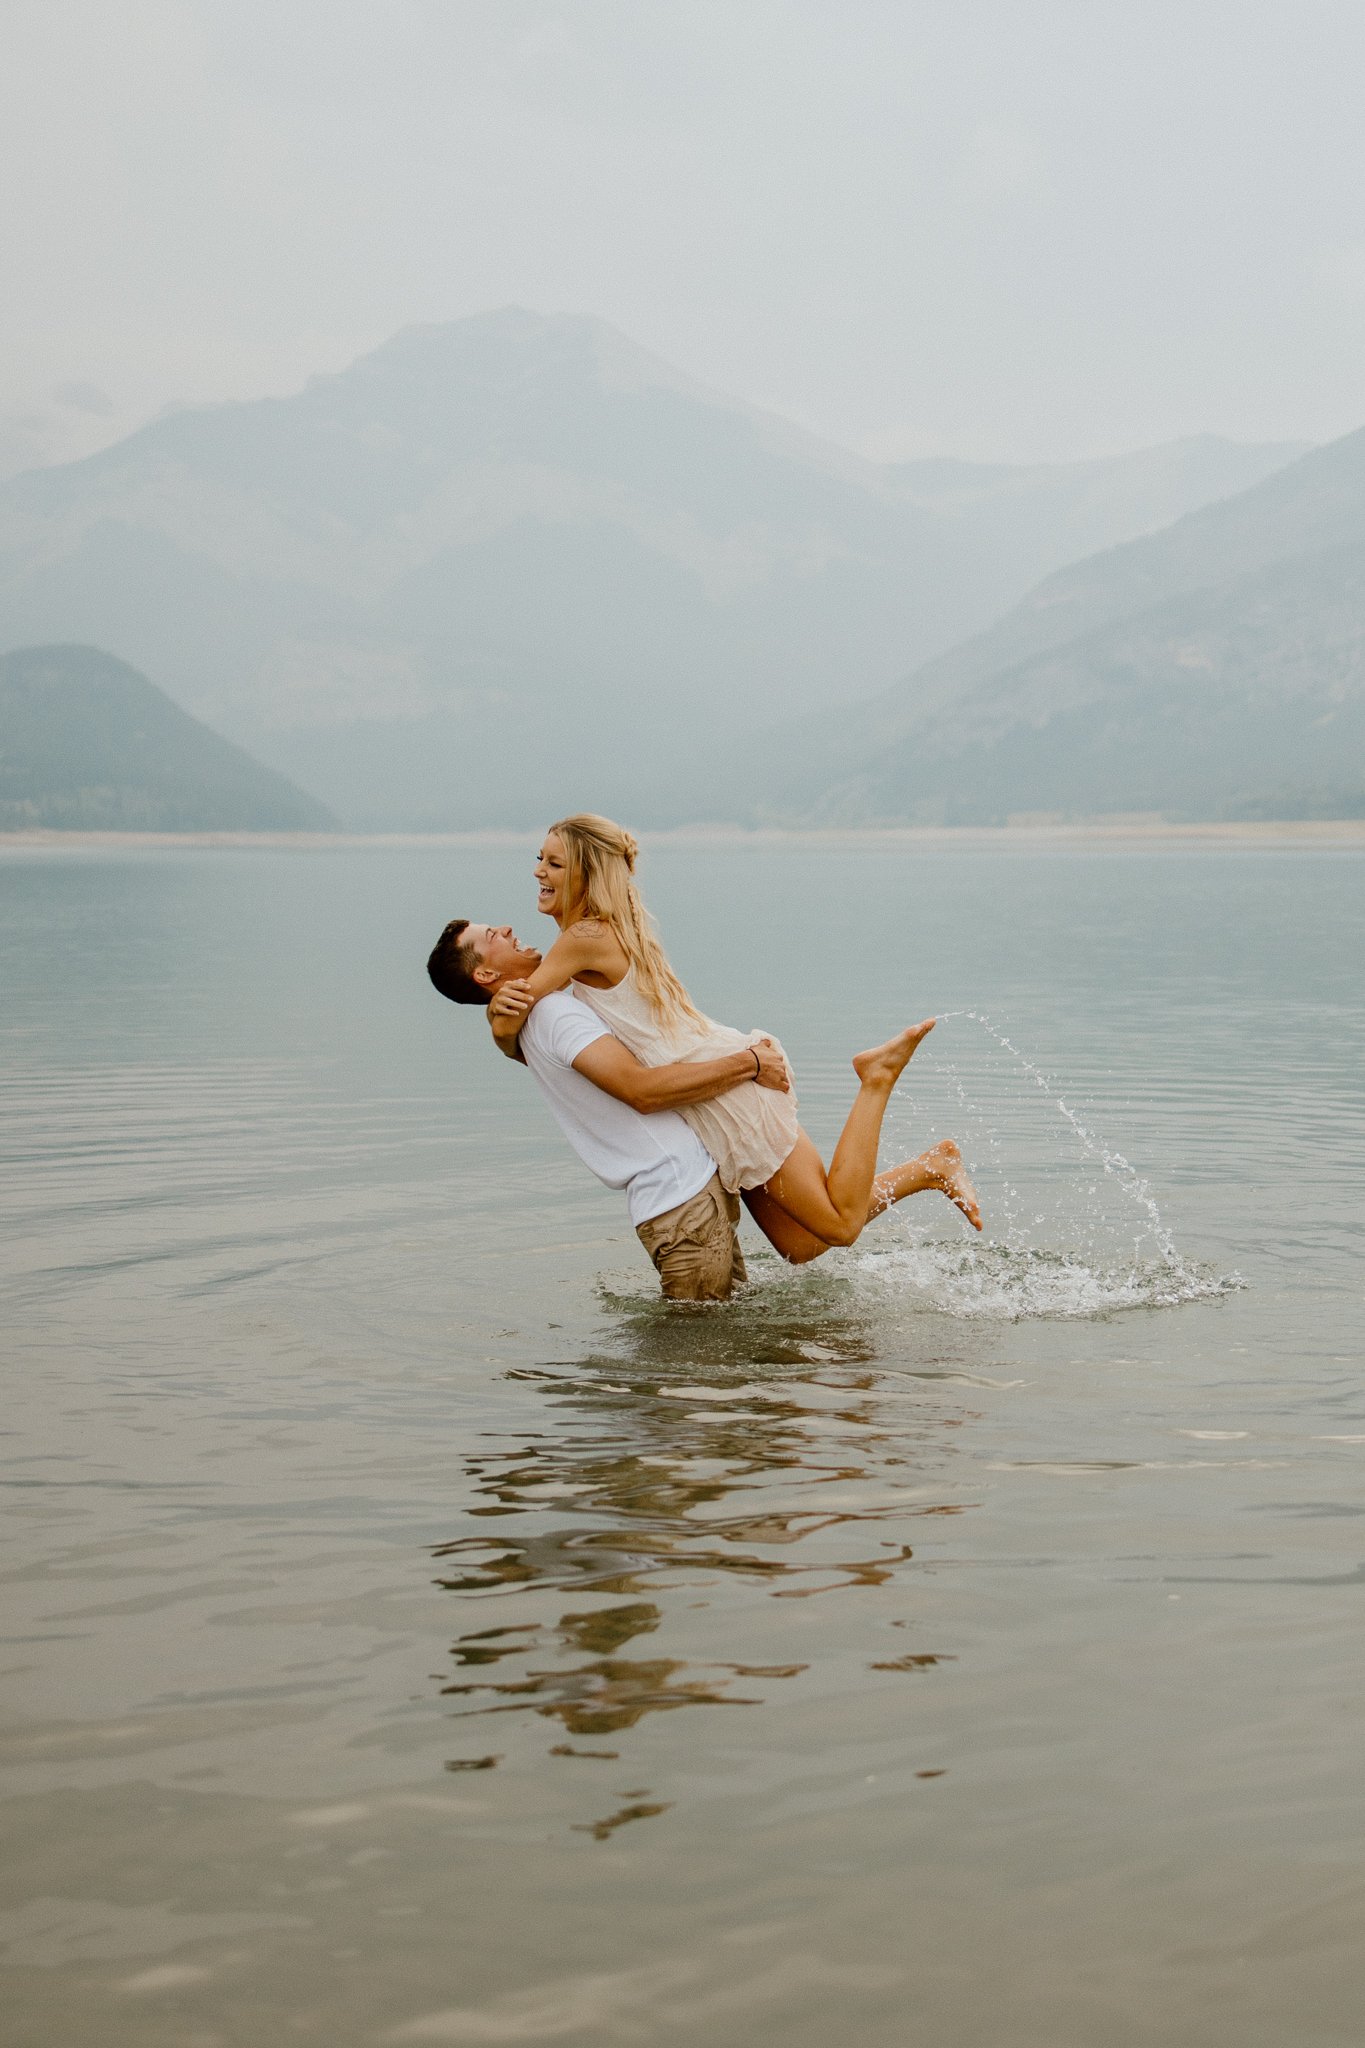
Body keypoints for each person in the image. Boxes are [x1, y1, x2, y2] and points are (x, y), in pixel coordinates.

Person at [458, 812, 981, 1265]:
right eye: (539, 859)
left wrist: (495, 1025)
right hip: (705, 1092)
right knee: (801, 1247)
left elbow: (517, 1012)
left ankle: (876, 1079)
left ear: (586, 873)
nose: (537, 872)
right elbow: (530, 1029)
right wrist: (504, 1030)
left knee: (839, 1227)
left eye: (553, 863)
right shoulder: (585, 935)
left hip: (726, 1088)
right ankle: (930, 1167)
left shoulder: (583, 938)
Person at [427, 918, 790, 1299]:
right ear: (485, 972)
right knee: (692, 1347)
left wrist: (498, 1025)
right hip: (679, 1196)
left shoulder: (526, 1024)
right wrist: (750, 1063)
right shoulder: (553, 1014)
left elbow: (513, 1045)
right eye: (491, 936)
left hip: (679, 1199)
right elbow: (642, 1092)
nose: (504, 929)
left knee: (717, 1332)